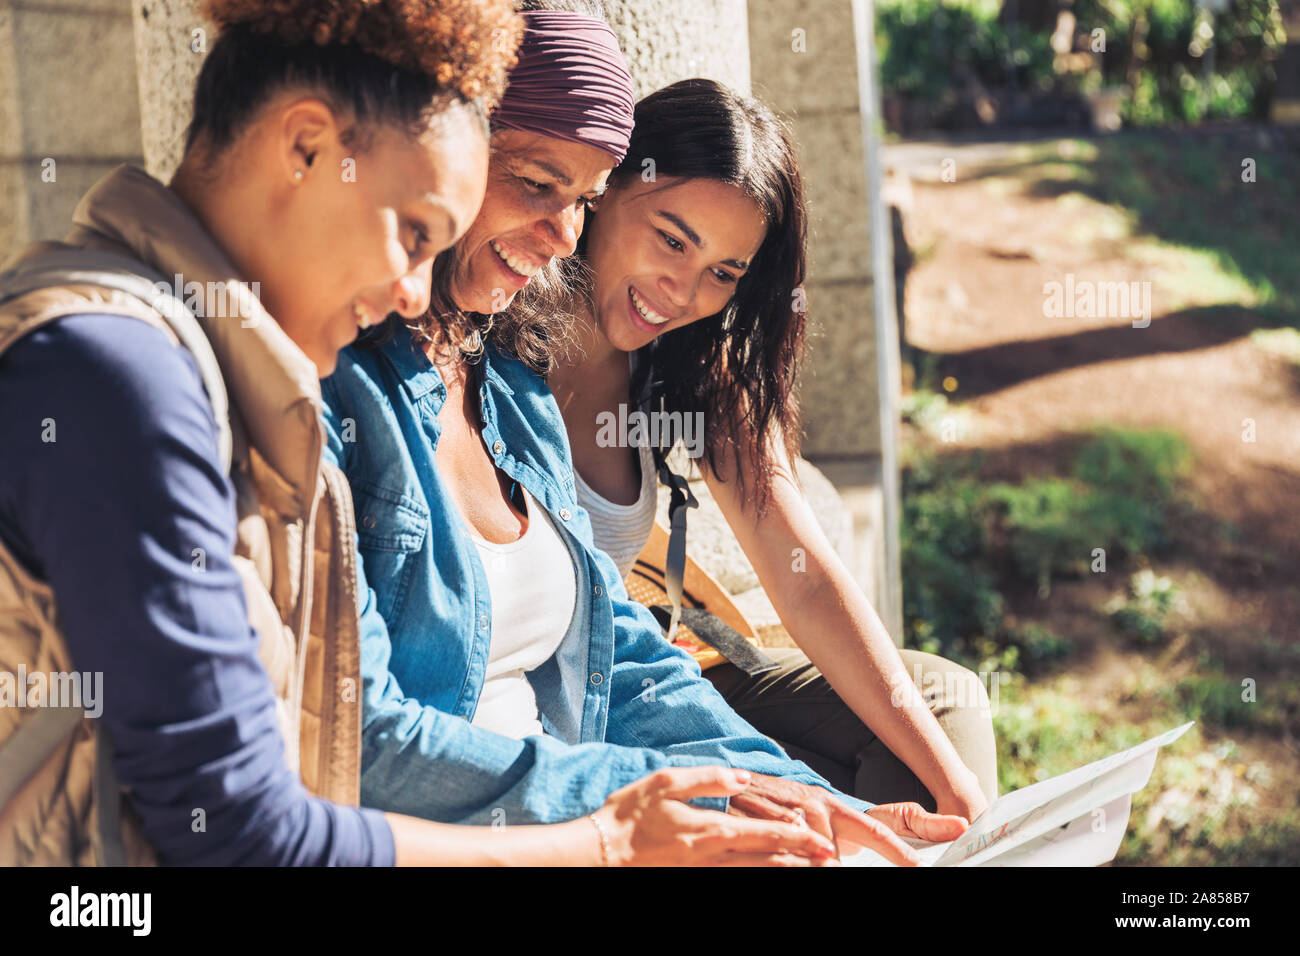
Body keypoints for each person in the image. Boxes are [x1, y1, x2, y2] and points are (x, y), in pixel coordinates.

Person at [0, 0, 833, 868]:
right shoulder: (116, 368)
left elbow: (612, 657)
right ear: (306, 147)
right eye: (413, 232)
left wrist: (801, 811)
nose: (412, 295)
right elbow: (245, 828)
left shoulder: (233, 373)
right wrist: (606, 840)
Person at [323, 4, 969, 861]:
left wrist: (797, 804)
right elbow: (366, 744)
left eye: (579, 201)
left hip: (603, 777)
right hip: (519, 830)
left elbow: (628, 653)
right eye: (536, 184)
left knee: (937, 717)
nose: (560, 237)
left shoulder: (516, 397)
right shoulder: (344, 394)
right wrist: (647, 811)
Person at [540, 78, 999, 822]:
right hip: (571, 710)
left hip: (656, 666)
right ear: (603, 188)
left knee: (943, 711)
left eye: (724, 273)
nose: (682, 291)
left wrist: (960, 792)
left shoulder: (687, 363)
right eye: (671, 238)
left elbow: (806, 579)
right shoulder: (504, 335)